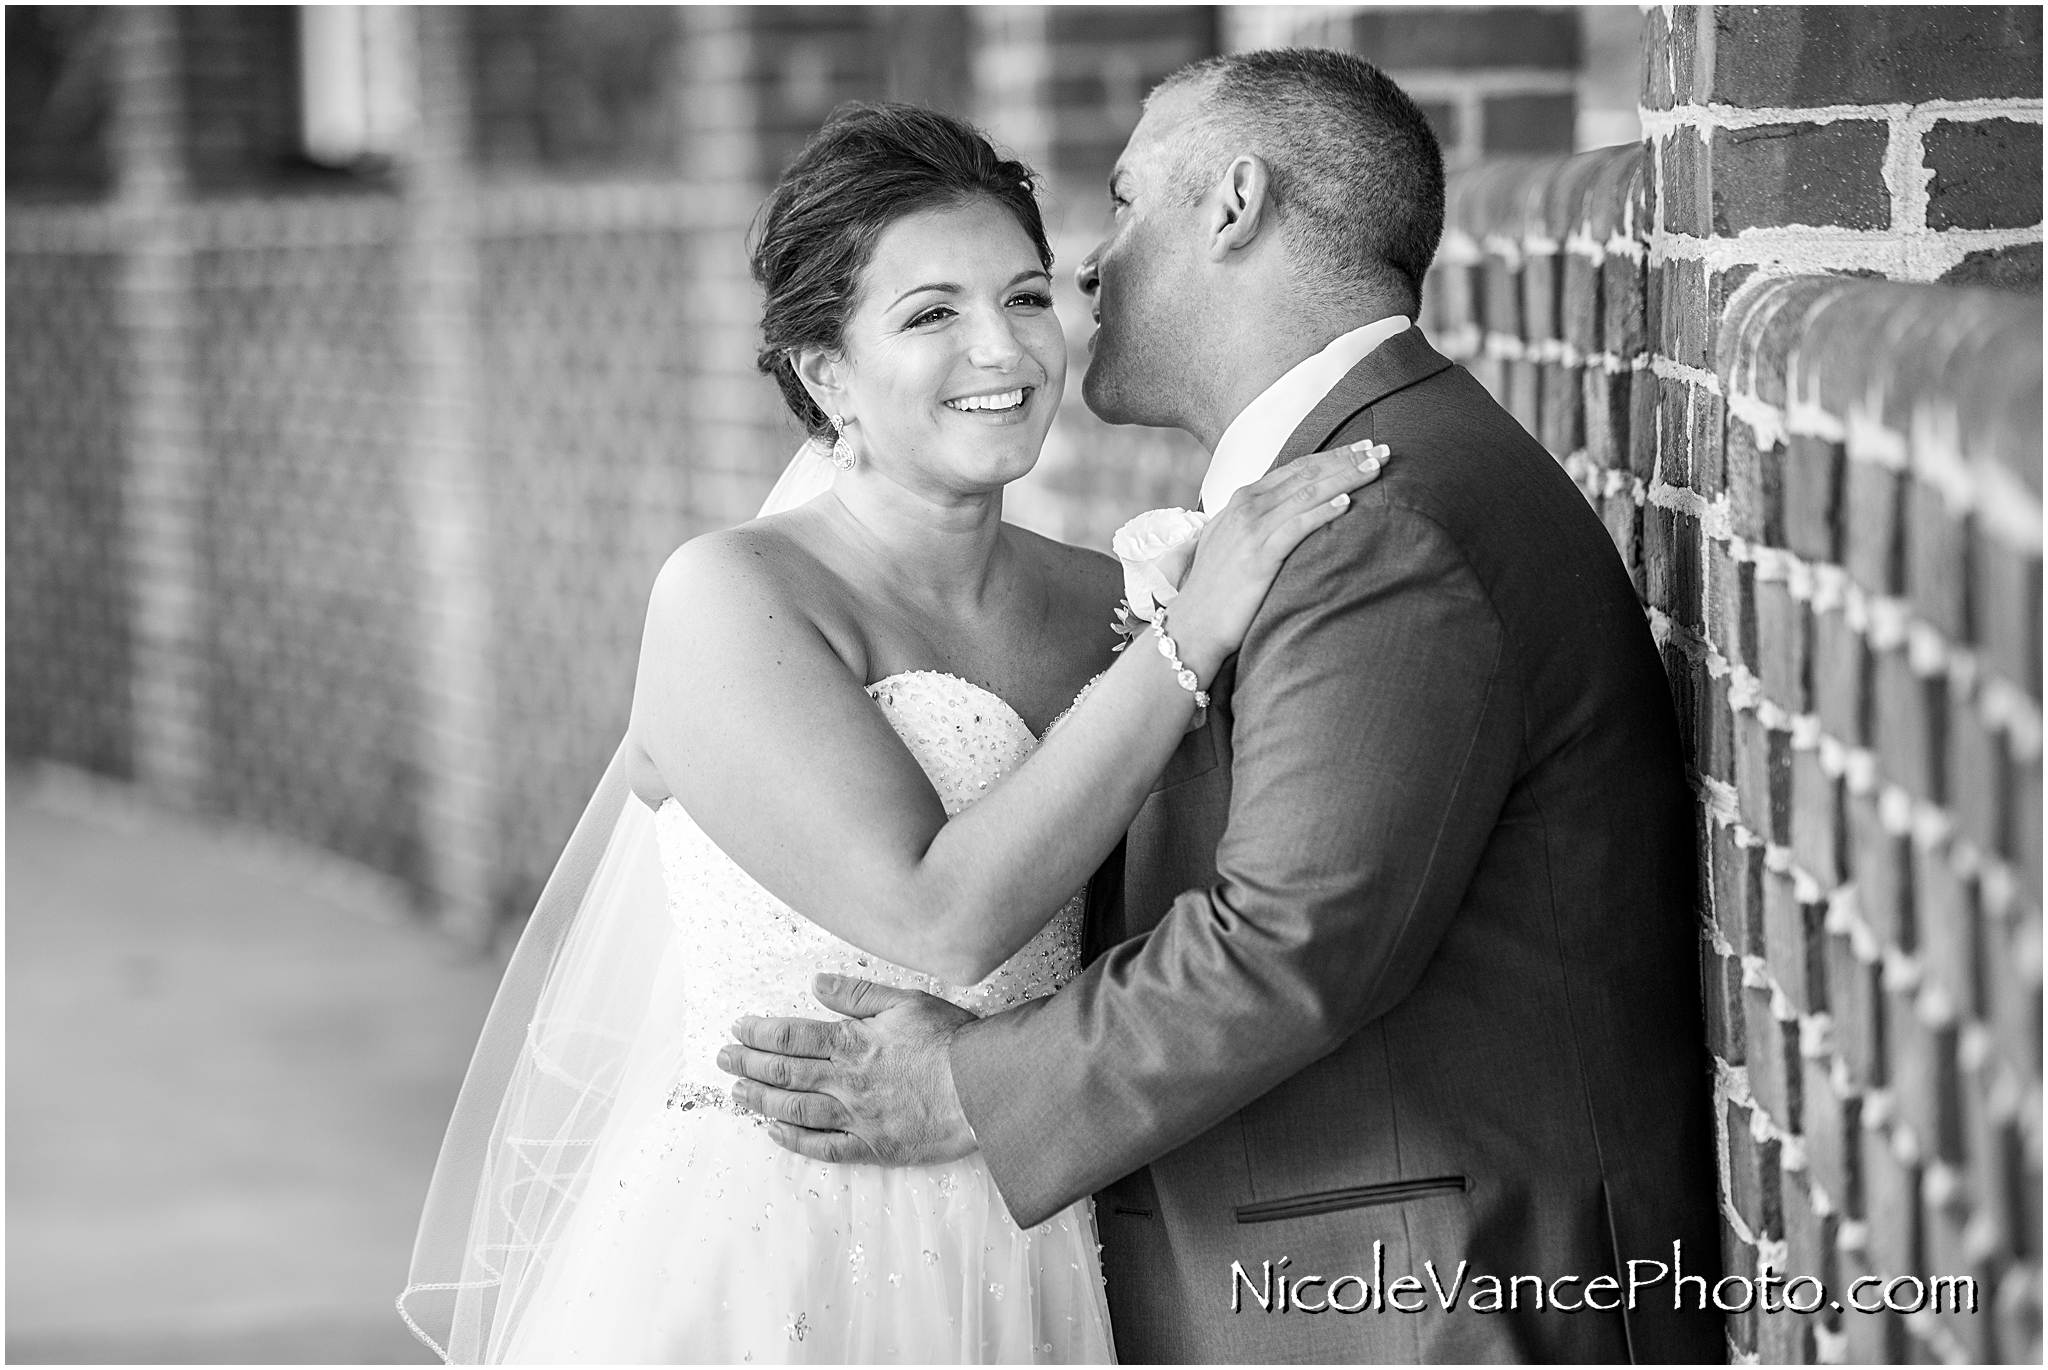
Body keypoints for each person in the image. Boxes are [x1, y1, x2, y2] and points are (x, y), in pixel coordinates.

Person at [719, 50, 1727, 1363]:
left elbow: (1290, 943)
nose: (1089, 272)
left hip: (1436, 1303)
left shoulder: (1379, 513)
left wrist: (968, 1089)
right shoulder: (1330, 487)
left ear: (1236, 202)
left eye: (1128, 203)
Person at [397, 101, 1388, 1364]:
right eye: (929, 314)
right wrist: (1191, 634)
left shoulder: (1109, 600)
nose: (1004, 349)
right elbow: (938, 914)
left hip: (1043, 1212)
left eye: (1026, 296)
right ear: (824, 372)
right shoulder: (730, 597)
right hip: (783, 1241)